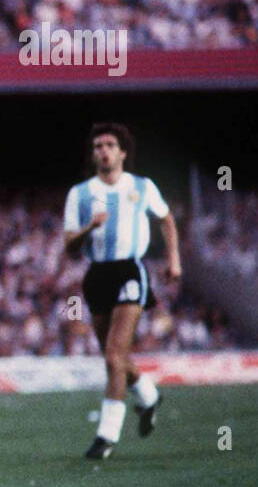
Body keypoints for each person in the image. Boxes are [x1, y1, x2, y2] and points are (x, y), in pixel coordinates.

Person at [63, 123, 181, 460]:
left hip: (130, 270)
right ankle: (148, 396)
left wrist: (174, 258)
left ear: (122, 152)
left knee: (115, 356)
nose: (103, 150)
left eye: (110, 144)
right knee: (113, 358)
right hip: (97, 275)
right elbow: (69, 244)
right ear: (93, 154)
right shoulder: (81, 194)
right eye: (98, 145)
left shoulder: (141, 187)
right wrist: (90, 227)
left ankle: (106, 436)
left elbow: (166, 219)